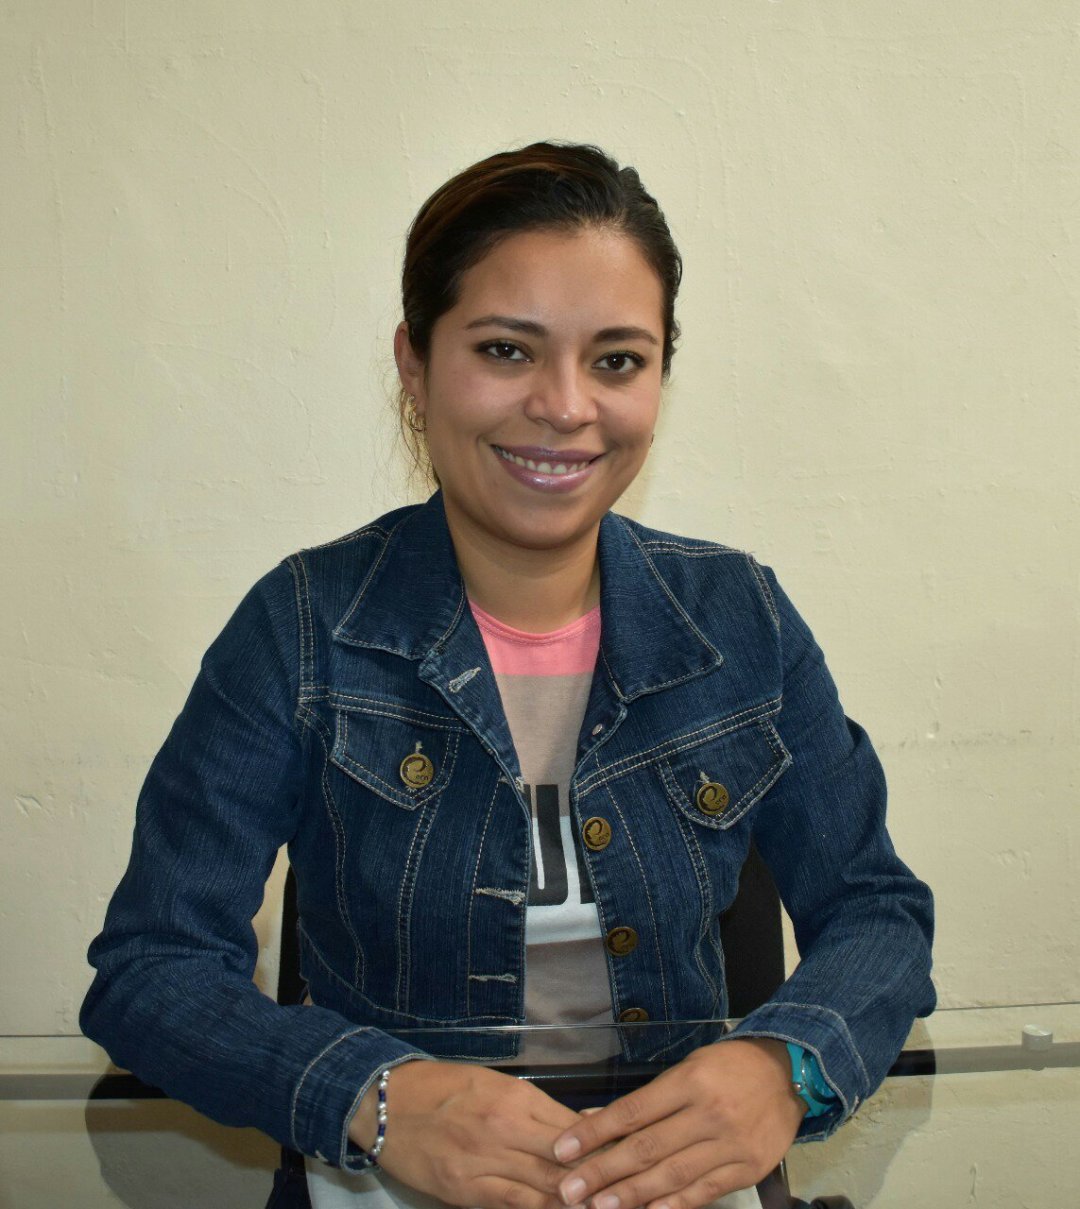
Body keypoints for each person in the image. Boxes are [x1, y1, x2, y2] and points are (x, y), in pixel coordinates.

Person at [81, 142, 935, 1209]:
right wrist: (373, 1096)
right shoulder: (302, 628)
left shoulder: (740, 619)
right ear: (415, 362)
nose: (565, 406)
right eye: (505, 350)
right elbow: (151, 967)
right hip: (387, 1178)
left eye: (616, 360)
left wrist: (784, 1066)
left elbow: (878, 911)